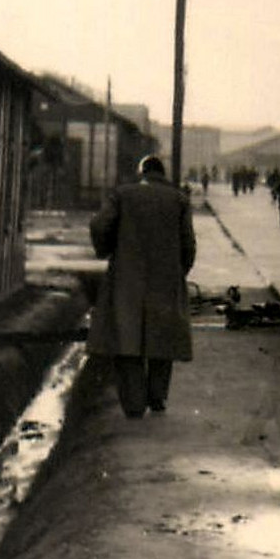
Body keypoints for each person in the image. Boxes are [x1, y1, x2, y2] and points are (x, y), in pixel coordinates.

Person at [88, 155, 196, 419]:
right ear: (162, 173)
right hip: (166, 278)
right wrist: (179, 270)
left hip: (127, 277)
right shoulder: (179, 199)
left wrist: (107, 250)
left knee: (127, 339)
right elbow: (189, 244)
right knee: (162, 337)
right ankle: (157, 397)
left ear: (142, 172)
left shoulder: (122, 195)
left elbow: (99, 226)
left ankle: (135, 404)